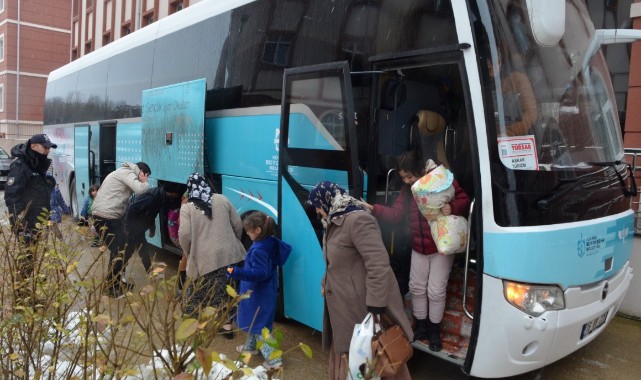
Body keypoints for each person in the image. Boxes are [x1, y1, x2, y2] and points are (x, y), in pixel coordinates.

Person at [362, 151, 470, 352]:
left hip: (441, 247)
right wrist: (373, 209)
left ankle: (433, 331)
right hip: (418, 247)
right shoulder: (408, 191)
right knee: (417, 287)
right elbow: (396, 215)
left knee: (435, 291)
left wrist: (452, 206)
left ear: (421, 171)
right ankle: (420, 327)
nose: (406, 181)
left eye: (410, 176)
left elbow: (464, 198)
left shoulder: (442, 179)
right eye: (403, 177)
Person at [308, 181, 413, 379]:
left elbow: (379, 264)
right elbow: (337, 262)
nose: (317, 210)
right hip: (344, 306)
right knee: (352, 358)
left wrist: (375, 305)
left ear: (327, 200)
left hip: (361, 308)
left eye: (317, 205)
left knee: (371, 358)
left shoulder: (358, 220)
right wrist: (326, 282)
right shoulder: (335, 219)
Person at [178, 173, 246, 338]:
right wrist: (233, 242)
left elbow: (185, 235)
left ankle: (192, 326)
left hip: (204, 260)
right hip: (230, 258)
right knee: (227, 289)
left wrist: (189, 252)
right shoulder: (222, 199)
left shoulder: (187, 207)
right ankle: (227, 326)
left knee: (196, 292)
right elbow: (237, 223)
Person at [227, 211, 291, 370]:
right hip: (264, 292)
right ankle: (250, 347)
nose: (247, 234)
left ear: (258, 230)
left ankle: (274, 360)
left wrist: (235, 272)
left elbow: (260, 273)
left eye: (248, 231)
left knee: (258, 326)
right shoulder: (270, 242)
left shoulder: (259, 250)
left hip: (257, 294)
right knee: (254, 322)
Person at [92, 161, 151, 298]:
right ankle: (111, 286)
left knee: (128, 246)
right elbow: (141, 190)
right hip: (105, 217)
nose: (145, 177)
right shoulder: (127, 172)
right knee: (118, 250)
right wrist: (144, 181)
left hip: (109, 217)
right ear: (141, 172)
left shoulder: (123, 173)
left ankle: (118, 281)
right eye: (145, 174)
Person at [4, 133, 58, 246]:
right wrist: (20, 225)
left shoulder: (37, 165)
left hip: (39, 223)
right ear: (33, 146)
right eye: (45, 147)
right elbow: (11, 197)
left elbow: (38, 194)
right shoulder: (21, 166)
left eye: (49, 148)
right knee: (27, 260)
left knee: (36, 259)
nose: (48, 150)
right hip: (27, 225)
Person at [122, 184, 181, 281]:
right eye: (175, 194)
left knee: (143, 250)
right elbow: (132, 208)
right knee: (128, 251)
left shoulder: (160, 197)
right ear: (171, 193)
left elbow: (152, 213)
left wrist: (152, 228)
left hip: (138, 228)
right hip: (132, 228)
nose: (175, 196)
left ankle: (150, 273)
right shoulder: (153, 197)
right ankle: (119, 274)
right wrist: (128, 228)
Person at [487, 56, 538, 137]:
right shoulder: (475, 83)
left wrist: (508, 132)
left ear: (500, 60)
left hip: (512, 140)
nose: (490, 64)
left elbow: (531, 113)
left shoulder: (517, 80)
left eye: (492, 60)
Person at [46, 174, 71, 240]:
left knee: (51, 226)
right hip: (44, 214)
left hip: (54, 214)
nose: (48, 182)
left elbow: (61, 202)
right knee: (46, 229)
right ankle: (45, 246)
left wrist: (66, 210)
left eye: (49, 181)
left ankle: (61, 240)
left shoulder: (56, 191)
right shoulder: (41, 192)